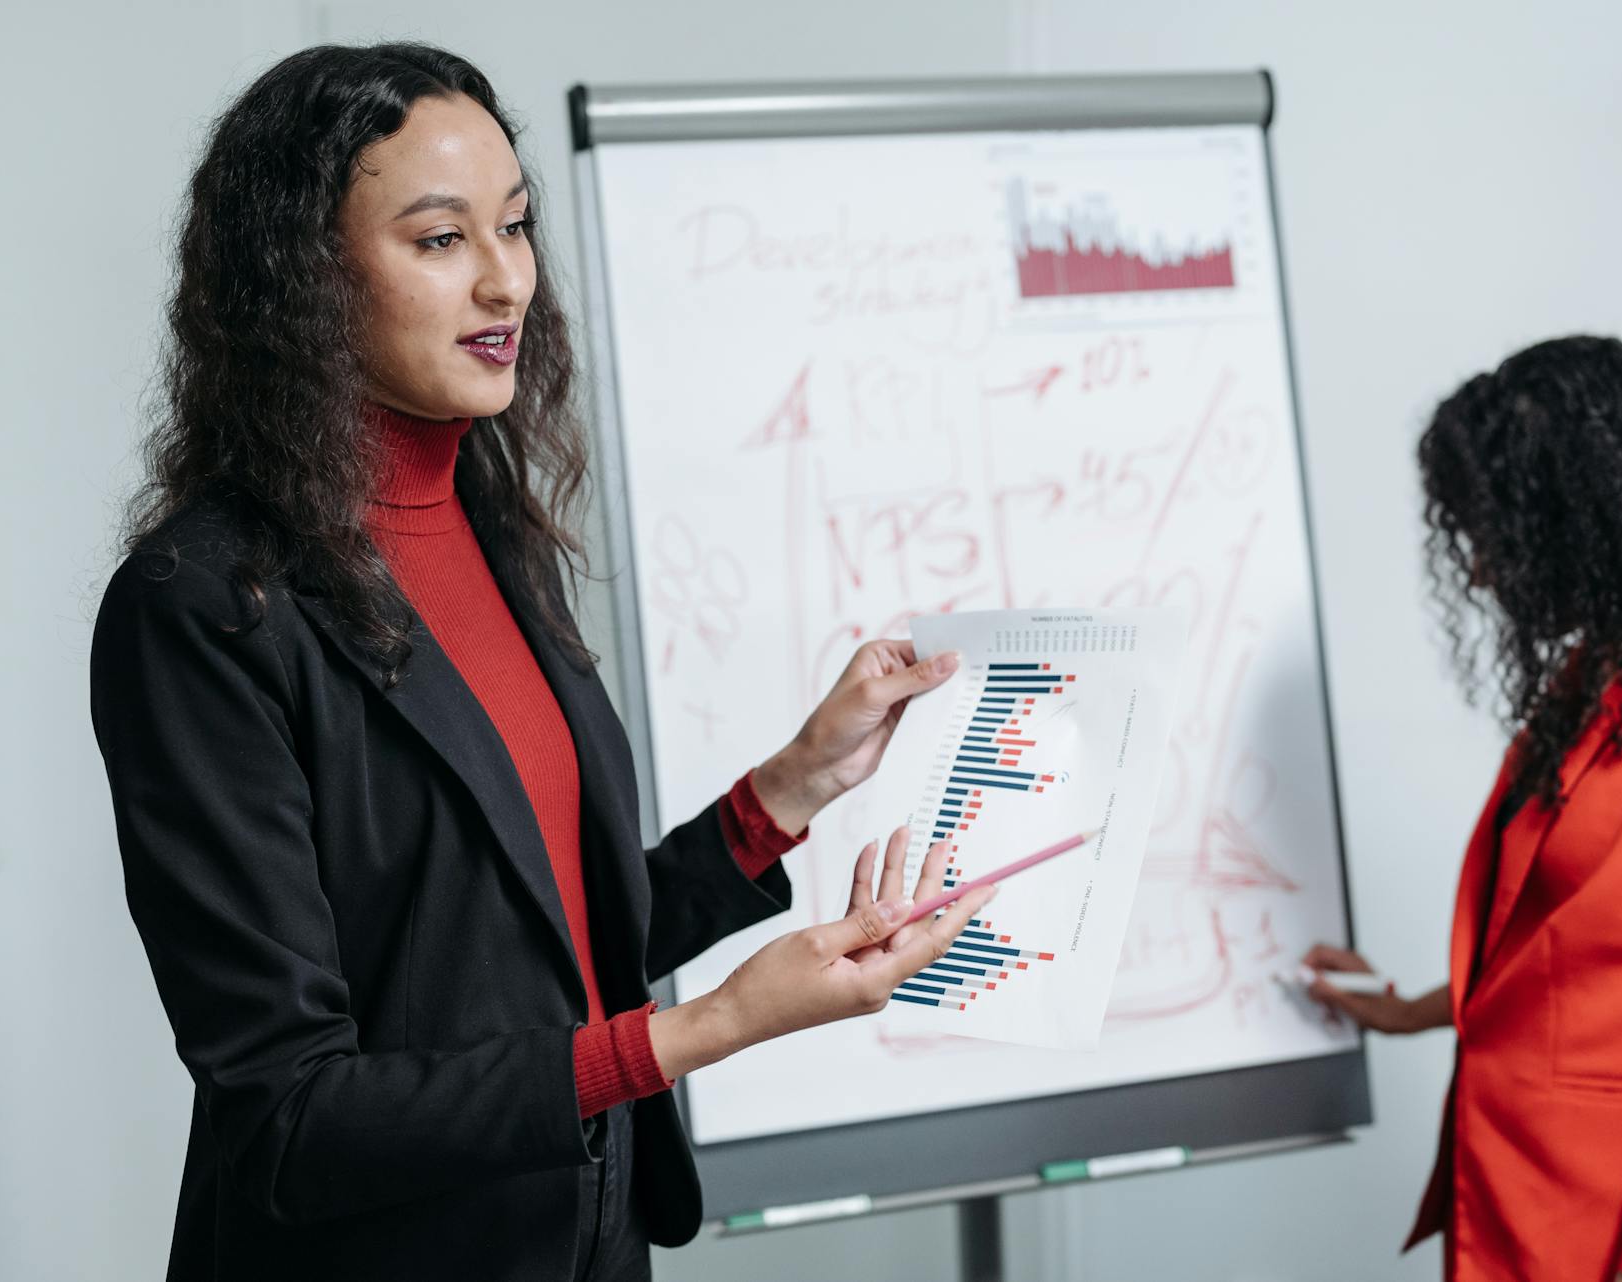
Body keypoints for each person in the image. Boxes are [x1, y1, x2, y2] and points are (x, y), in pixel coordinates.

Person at [89, 43, 994, 1282]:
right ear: (300, 278)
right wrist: (710, 1027)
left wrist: (793, 784)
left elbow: (547, 946)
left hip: (587, 1245)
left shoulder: (492, 527)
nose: (505, 280)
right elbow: (292, 1118)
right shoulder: (204, 606)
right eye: (439, 239)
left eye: (513, 227)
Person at [1304, 336, 1622, 1282]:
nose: (1476, 572)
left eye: (1493, 535)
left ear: (1573, 523)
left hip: (1606, 1235)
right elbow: (1551, 955)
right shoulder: (1596, 682)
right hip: (1508, 1199)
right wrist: (1401, 1009)